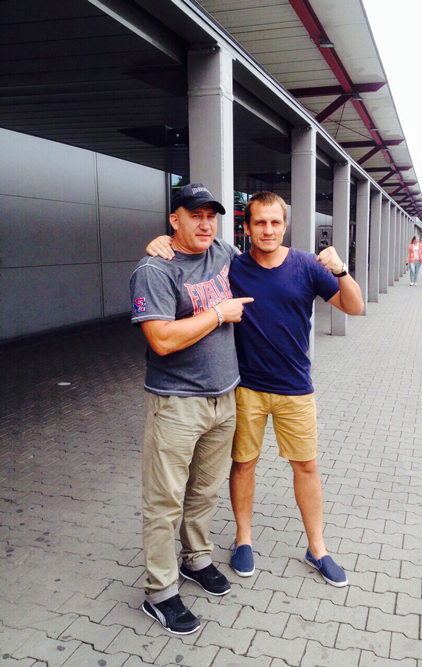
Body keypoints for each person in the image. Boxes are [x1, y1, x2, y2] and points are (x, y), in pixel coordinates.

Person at [146, 191, 364, 589]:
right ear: (246, 228)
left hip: (296, 388)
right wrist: (161, 242)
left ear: (285, 225)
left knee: (307, 466)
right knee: (244, 464)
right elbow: (187, 249)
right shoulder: (233, 264)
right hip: (244, 388)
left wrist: (342, 270)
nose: (268, 230)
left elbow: (354, 306)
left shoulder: (307, 265)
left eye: (275, 222)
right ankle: (243, 539)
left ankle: (317, 548)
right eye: (259, 222)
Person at [130, 183, 254, 636]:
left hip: (224, 397)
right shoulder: (154, 269)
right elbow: (161, 339)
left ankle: (196, 558)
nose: (205, 224)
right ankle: (159, 592)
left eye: (211, 216)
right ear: (174, 219)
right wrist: (219, 314)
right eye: (194, 215)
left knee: (205, 490)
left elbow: (265, 258)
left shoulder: (222, 252)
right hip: (176, 403)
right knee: (164, 501)